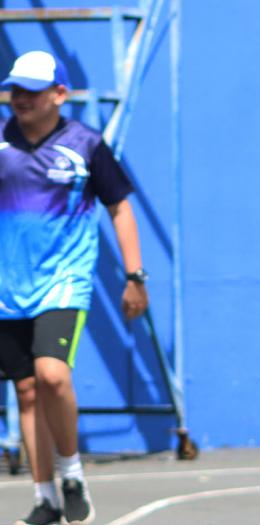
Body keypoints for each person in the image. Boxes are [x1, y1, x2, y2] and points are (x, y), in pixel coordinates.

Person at [0, 50, 150, 525]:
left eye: (31, 90)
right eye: (15, 89)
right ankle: (45, 498)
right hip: (6, 287)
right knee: (25, 391)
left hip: (63, 281)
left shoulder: (86, 144)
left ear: (59, 95)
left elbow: (120, 208)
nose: (19, 98)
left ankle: (71, 474)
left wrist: (134, 276)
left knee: (52, 376)